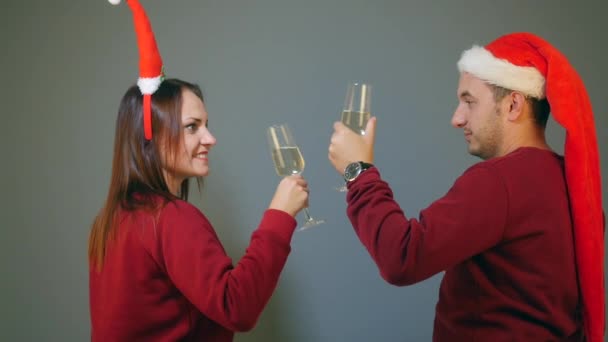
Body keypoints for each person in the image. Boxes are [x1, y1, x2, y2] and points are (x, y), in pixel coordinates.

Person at [328, 32, 604, 341]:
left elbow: (401, 257)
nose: (457, 119)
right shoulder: (572, 184)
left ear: (514, 104)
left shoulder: (499, 181)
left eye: (469, 102)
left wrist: (358, 172)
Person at [89, 1, 309, 341]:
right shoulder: (171, 218)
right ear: (152, 135)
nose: (210, 138)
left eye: (206, 125)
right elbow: (237, 307)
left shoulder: (111, 221)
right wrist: (280, 215)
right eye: (192, 127)